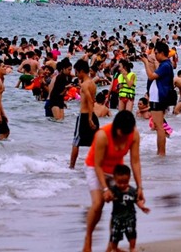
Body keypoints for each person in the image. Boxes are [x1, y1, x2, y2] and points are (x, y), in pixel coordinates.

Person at [83, 111, 143, 252]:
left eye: (128, 132)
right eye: (122, 132)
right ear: (116, 127)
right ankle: (88, 238)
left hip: (115, 171)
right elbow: (97, 165)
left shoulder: (133, 134)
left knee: (120, 206)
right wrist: (105, 189)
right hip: (95, 168)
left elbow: (135, 161)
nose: (124, 136)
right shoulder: (103, 135)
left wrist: (140, 187)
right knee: (98, 203)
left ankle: (111, 247)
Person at [142, 42, 175, 156]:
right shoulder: (166, 64)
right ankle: (160, 152)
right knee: (158, 126)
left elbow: (151, 76)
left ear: (161, 53)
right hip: (160, 97)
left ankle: (161, 153)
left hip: (158, 98)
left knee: (159, 127)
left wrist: (146, 63)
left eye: (156, 53)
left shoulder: (165, 65)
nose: (155, 55)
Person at [109, 164, 150, 252]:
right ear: (115, 179)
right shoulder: (113, 190)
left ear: (129, 179)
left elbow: (137, 200)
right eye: (119, 183)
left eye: (125, 182)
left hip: (130, 217)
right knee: (115, 236)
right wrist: (109, 197)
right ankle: (115, 248)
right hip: (117, 218)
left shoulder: (132, 191)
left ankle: (132, 247)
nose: (122, 185)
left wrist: (142, 207)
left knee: (132, 234)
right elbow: (107, 198)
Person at [70, 59, 99, 169]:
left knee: (76, 142)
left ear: (81, 71)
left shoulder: (85, 85)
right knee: (94, 142)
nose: (76, 74)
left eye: (77, 72)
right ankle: (96, 165)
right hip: (92, 114)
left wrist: (89, 119)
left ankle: (71, 167)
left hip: (85, 116)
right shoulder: (92, 83)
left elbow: (90, 101)